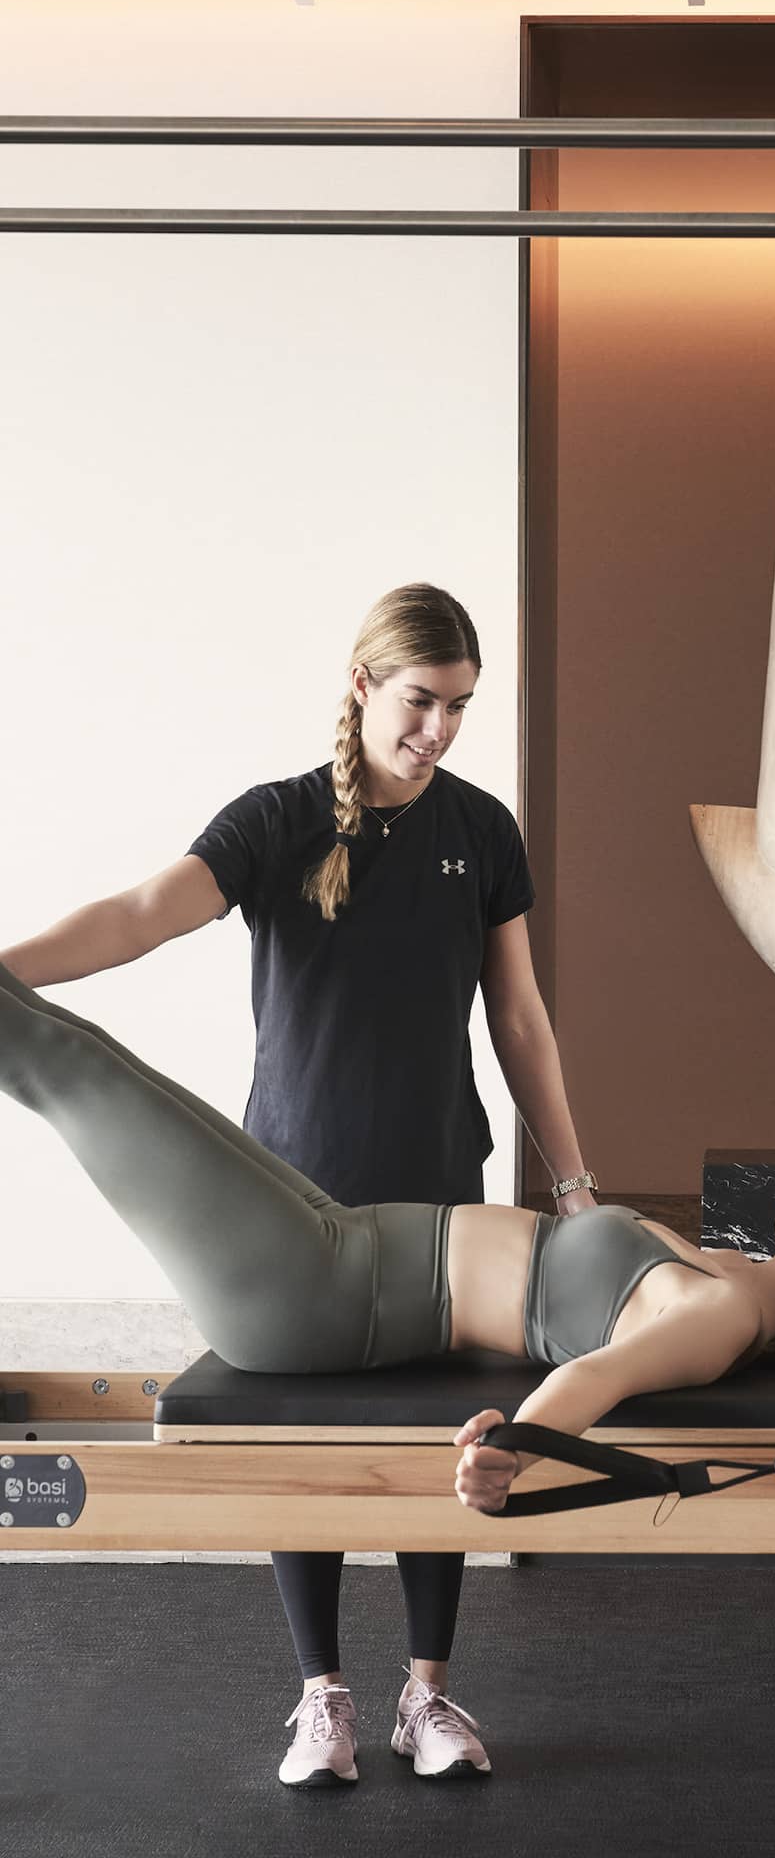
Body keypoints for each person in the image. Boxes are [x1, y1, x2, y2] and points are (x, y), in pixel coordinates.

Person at [0, 583, 596, 1789]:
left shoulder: (482, 831)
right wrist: (3, 970)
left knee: (453, 1432)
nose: (438, 729)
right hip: (291, 1190)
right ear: (366, 684)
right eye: (421, 700)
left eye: (461, 707)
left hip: (441, 1186)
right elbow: (138, 915)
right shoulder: (275, 822)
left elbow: (520, 1017)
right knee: (299, 1441)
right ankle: (320, 1694)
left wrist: (575, 1182)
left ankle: (427, 1696)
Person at [0, 949, 775, 1527]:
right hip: (334, 1237)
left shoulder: (718, 1313)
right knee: (64, 1037)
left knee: (60, 1063)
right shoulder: (733, 1273)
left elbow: (595, 1380)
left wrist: (511, 1452)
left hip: (307, 1289)